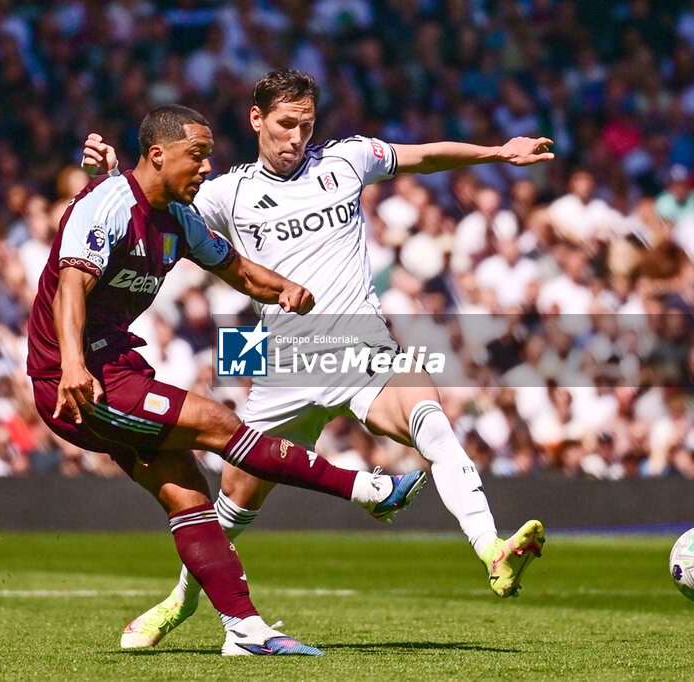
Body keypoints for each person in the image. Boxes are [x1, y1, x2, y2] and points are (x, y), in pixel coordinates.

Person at [83, 69, 552, 649]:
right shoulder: (225, 193)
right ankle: (181, 601)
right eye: (285, 124)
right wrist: (108, 180)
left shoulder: (348, 159)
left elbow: (424, 155)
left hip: (361, 348)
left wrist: (498, 153)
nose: (296, 137)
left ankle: (491, 547)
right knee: (232, 504)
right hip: (284, 363)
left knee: (428, 414)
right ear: (256, 120)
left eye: (306, 125)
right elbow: (156, 203)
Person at [29, 104, 425, 657]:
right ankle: (367, 489)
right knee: (219, 423)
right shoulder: (110, 202)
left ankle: (244, 631)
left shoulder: (181, 218)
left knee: (189, 494)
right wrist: (71, 364)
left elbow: (237, 270)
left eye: (211, 155)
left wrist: (284, 288)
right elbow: (72, 285)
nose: (208, 167)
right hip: (75, 377)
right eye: (198, 154)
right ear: (158, 154)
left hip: (114, 362)